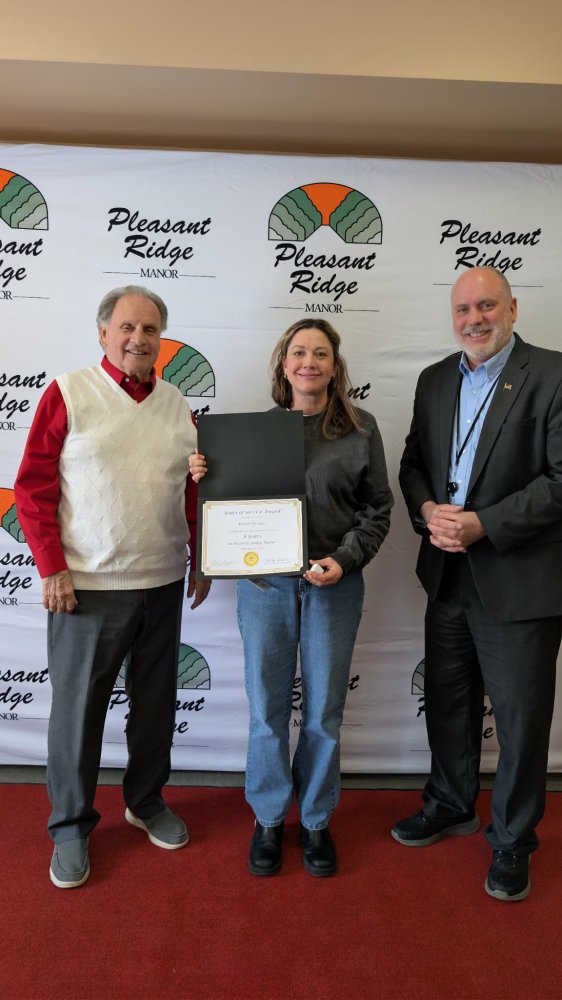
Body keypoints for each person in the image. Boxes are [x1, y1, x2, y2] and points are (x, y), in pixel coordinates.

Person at [14, 285, 211, 889]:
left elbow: (191, 490)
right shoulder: (69, 392)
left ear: (161, 339)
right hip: (85, 587)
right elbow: (32, 487)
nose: (138, 339)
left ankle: (145, 801)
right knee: (78, 715)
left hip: (162, 580)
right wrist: (52, 567)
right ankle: (71, 826)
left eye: (149, 329)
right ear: (103, 333)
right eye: (126, 327)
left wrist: (202, 558)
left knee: (155, 707)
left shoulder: (178, 405)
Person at [190, 319, 393, 877]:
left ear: (335, 365)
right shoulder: (251, 433)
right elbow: (227, 510)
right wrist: (207, 474)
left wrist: (345, 559)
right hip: (264, 587)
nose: (309, 362)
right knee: (267, 710)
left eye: (320, 353)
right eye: (299, 352)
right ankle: (269, 817)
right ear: (284, 364)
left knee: (324, 712)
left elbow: (378, 509)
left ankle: (317, 820)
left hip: (335, 584)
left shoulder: (361, 428)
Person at [393, 266, 562, 901]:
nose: (474, 319)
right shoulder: (435, 379)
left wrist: (483, 523)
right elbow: (413, 462)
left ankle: (513, 840)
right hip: (446, 572)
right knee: (449, 699)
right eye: (463, 309)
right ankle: (450, 803)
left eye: (487, 306)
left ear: (513, 310)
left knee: (519, 719)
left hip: (519, 581)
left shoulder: (553, 374)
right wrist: (427, 510)